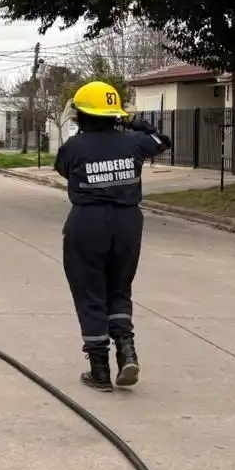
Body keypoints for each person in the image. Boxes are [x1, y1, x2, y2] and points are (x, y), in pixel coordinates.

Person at [53, 81, 172, 393]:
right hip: (127, 223)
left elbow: (63, 167)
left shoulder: (74, 147)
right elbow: (162, 141)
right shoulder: (134, 142)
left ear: (82, 115)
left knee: (90, 291)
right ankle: (127, 350)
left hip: (88, 222)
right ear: (115, 114)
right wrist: (134, 123)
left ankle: (100, 370)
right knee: (119, 288)